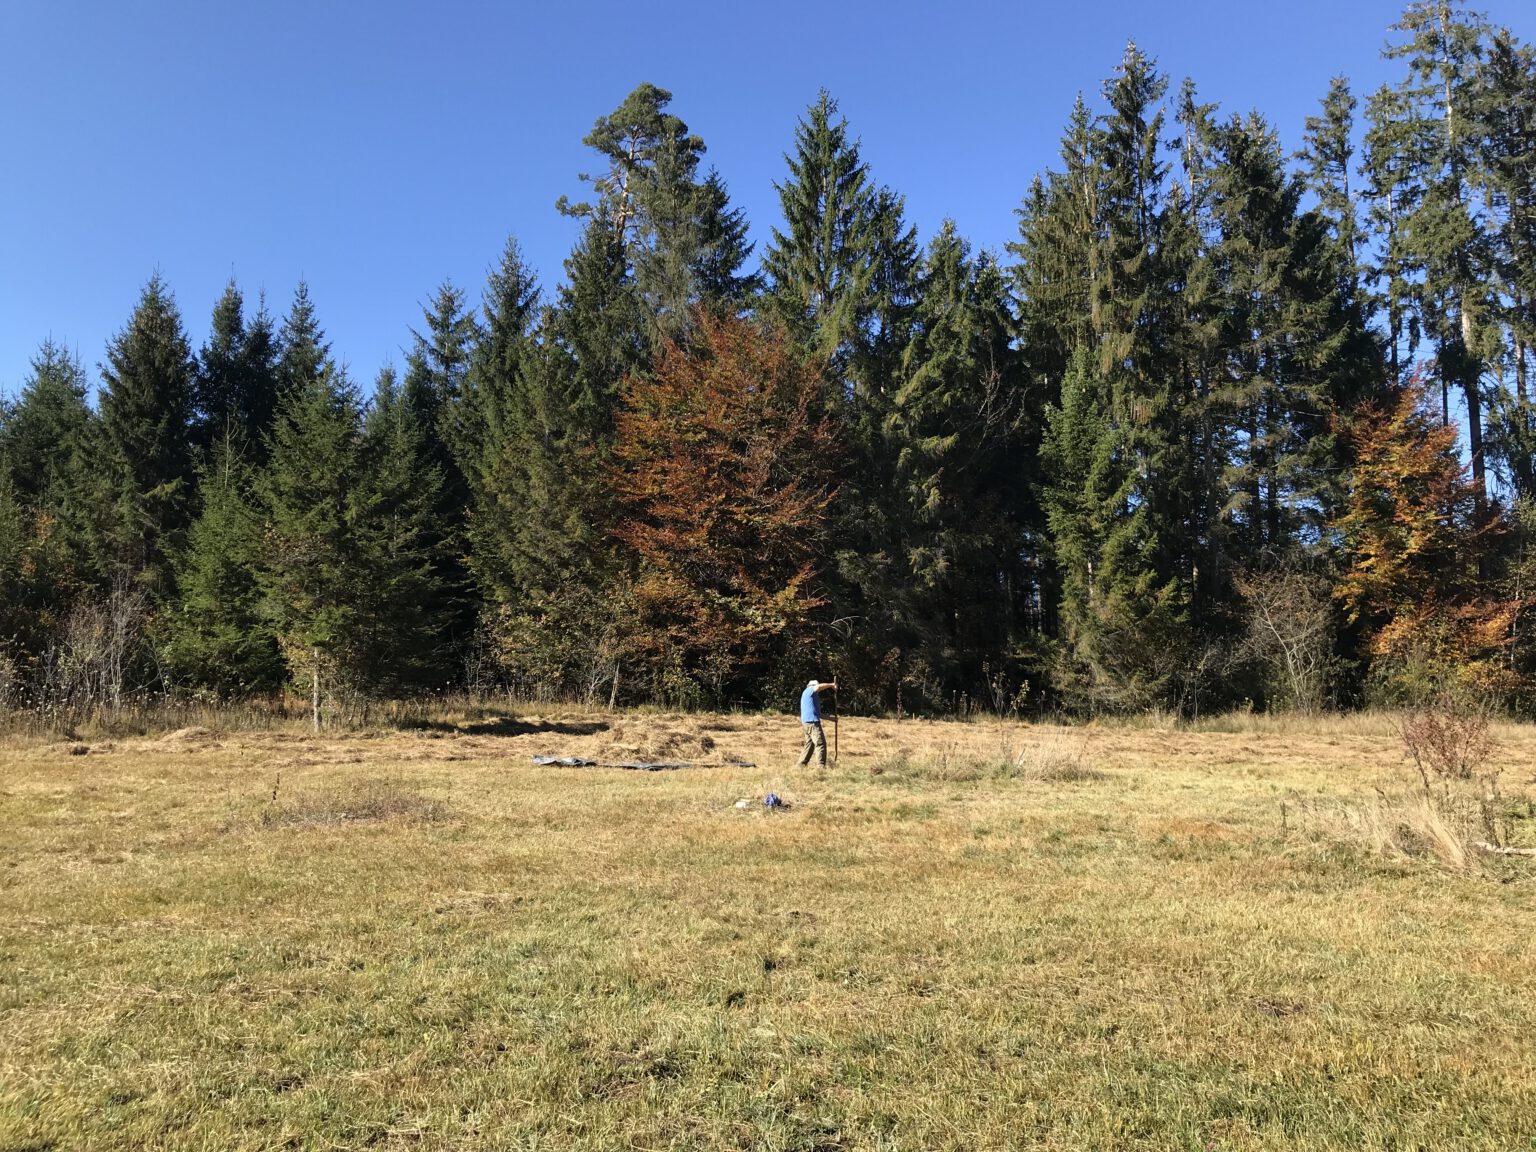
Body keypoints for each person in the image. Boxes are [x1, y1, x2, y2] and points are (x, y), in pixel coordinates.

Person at [796, 678, 837, 769]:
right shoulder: (810, 690)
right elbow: (818, 687)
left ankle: (801, 764)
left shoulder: (810, 697)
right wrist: (832, 685)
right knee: (820, 743)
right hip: (812, 722)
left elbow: (818, 714)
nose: (818, 691)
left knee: (809, 745)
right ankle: (820, 767)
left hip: (807, 722)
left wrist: (832, 719)